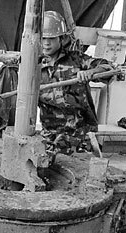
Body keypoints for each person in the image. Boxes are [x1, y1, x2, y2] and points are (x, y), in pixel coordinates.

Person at [39, 10, 114, 157]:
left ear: (61, 39)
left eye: (52, 38)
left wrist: (91, 72)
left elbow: (108, 68)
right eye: (43, 38)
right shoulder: (35, 64)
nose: (46, 43)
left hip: (78, 134)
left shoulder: (76, 60)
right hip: (49, 134)